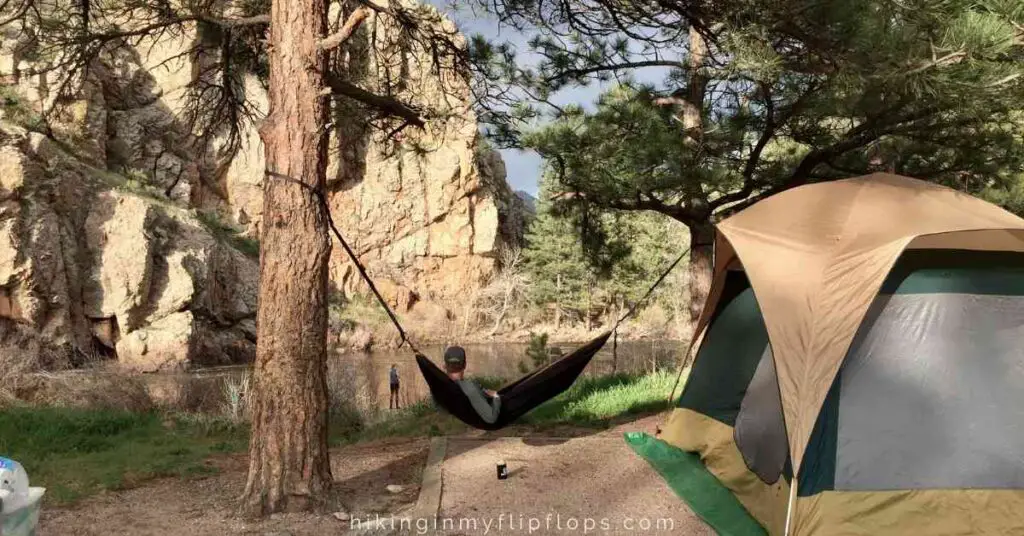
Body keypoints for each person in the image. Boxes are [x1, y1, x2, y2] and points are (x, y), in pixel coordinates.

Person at [444, 346, 501, 424]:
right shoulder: (470, 388)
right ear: (465, 365)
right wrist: (496, 397)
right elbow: (491, 418)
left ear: (444, 366)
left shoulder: (439, 385)